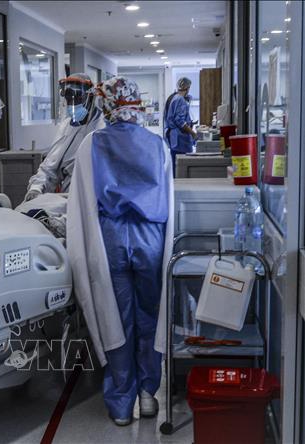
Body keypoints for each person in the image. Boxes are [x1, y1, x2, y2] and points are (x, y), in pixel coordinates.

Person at [66, 77, 174, 426]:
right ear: (136, 103)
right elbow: (169, 199)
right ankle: (148, 394)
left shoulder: (91, 144)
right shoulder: (157, 145)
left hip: (110, 239)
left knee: (116, 317)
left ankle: (121, 403)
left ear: (106, 104)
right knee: (150, 315)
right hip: (150, 239)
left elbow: (81, 202)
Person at [23, 73, 104, 202]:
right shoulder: (67, 126)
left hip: (97, 199)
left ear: (91, 97)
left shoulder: (104, 127)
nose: (72, 104)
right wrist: (36, 188)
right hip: (68, 199)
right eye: (68, 99)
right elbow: (49, 167)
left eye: (77, 98)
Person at [164, 76, 197, 174]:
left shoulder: (173, 97)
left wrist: (190, 122)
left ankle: (175, 181)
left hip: (174, 137)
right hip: (180, 139)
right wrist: (193, 133)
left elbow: (173, 117)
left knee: (176, 164)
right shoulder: (181, 100)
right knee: (182, 167)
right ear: (188, 88)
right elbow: (180, 121)